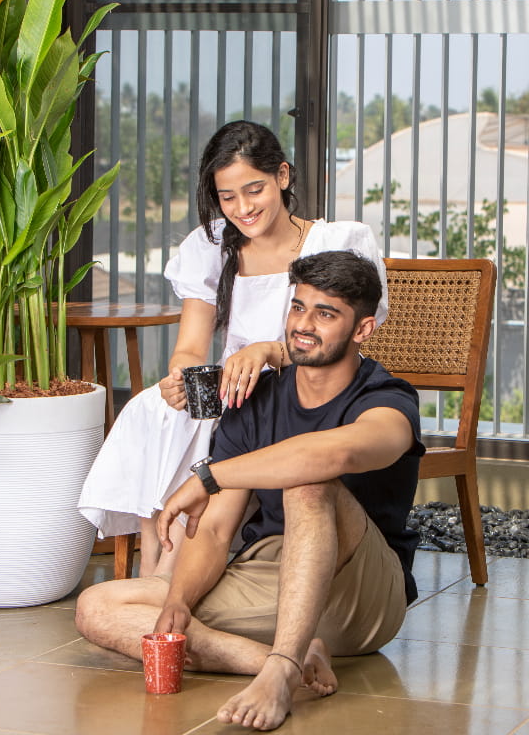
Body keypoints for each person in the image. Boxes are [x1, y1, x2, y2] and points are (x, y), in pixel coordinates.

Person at [75, 251, 424, 732]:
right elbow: (216, 531)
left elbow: (334, 455)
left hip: (358, 593)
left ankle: (282, 670)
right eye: (298, 307)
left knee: (308, 485)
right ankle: (283, 658)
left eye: (326, 314)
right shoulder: (256, 398)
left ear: (362, 329)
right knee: (98, 608)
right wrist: (176, 598)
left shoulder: (387, 399)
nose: (304, 324)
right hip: (270, 577)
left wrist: (210, 476)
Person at [78, 121, 389, 576]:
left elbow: (342, 336)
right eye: (228, 197)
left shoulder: (335, 241)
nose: (242, 208)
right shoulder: (210, 245)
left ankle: (170, 579)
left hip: (296, 386)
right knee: (155, 409)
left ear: (283, 176)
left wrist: (267, 351)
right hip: (231, 383)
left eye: (254, 190)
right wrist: (180, 378)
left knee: (223, 416)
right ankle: (156, 563)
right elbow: (189, 347)